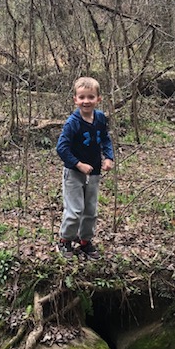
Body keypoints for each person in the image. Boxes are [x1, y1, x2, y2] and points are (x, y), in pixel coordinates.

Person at [56, 77, 114, 259]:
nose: (86, 101)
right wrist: (78, 164)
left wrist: (108, 157)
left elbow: (105, 139)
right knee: (74, 210)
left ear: (98, 99)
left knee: (90, 210)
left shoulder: (100, 118)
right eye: (82, 97)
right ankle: (65, 240)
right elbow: (61, 148)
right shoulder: (73, 123)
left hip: (94, 172)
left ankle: (85, 241)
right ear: (75, 99)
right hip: (74, 172)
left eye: (90, 97)